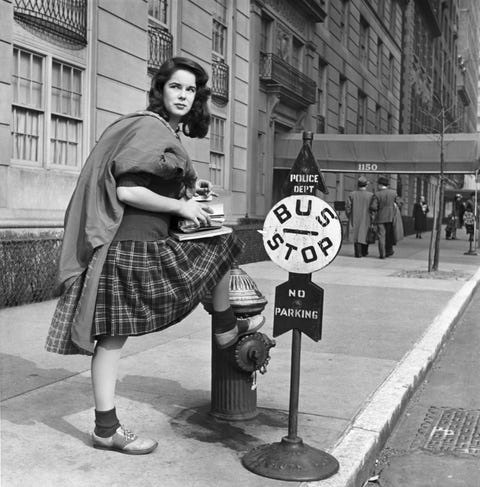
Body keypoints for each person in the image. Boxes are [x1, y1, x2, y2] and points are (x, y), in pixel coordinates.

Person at [45, 57, 265, 455]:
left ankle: (224, 325)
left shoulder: (166, 131)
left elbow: (153, 182)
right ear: (161, 90)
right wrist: (181, 208)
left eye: (190, 90)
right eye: (175, 87)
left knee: (216, 246)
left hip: (145, 244)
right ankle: (224, 327)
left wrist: (187, 192)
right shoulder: (149, 126)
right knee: (113, 339)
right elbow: (128, 191)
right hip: (132, 249)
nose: (183, 95)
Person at [370, 175, 399, 259]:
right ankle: (389, 251)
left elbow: (373, 207)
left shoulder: (377, 194)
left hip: (380, 218)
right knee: (389, 235)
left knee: (381, 236)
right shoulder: (393, 193)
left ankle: (382, 254)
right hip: (391, 218)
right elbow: (400, 203)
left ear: (380, 185)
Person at [346, 176, 374, 257]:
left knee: (356, 235)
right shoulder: (371, 195)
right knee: (365, 235)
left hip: (355, 218)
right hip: (367, 218)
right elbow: (373, 208)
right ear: (366, 185)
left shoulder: (352, 194)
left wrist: (349, 216)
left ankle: (358, 252)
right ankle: (364, 251)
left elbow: (348, 207)